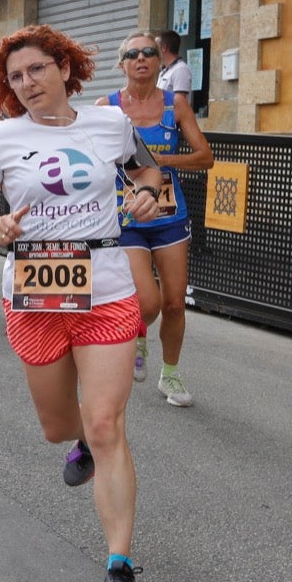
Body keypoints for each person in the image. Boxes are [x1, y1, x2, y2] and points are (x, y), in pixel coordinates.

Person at [0, 23, 163, 582]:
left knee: (106, 425)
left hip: (104, 288)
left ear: (64, 68)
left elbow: (149, 172)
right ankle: (75, 440)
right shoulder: (0, 136)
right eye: (15, 77)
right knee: (60, 427)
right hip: (34, 292)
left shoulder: (111, 124)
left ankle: (120, 568)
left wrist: (148, 194)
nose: (27, 84)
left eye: (37, 70)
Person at [106, 31, 213, 406]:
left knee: (174, 303)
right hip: (128, 216)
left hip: (170, 215)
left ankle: (171, 375)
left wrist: (162, 162)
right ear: (121, 65)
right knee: (147, 303)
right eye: (132, 53)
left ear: (158, 60)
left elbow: (205, 157)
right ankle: (138, 338)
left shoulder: (176, 105)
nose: (141, 58)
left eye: (149, 52)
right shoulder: (108, 107)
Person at [155, 29, 191, 101]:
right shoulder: (164, 71)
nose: (154, 50)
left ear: (164, 48)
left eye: (156, 47)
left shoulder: (180, 69)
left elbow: (180, 102)